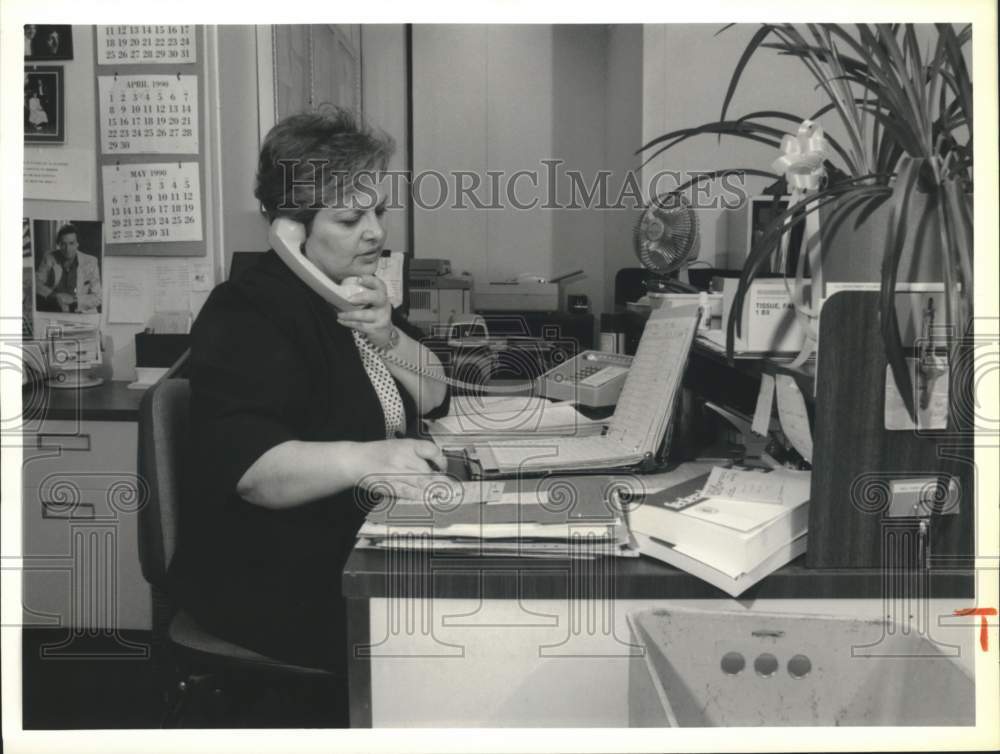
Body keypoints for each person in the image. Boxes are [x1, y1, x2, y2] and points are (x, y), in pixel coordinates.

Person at [169, 108, 452, 726]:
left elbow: (433, 398)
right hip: (274, 574)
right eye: (351, 219)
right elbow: (252, 471)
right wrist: (370, 458)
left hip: (351, 542)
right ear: (288, 232)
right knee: (456, 632)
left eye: (378, 211)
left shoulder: (347, 293)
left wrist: (388, 336)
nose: (375, 233)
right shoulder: (247, 310)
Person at [35, 223, 102, 313]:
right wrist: (56, 296)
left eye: (71, 243)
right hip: (56, 311)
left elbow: (98, 296)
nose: (67, 249)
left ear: (77, 244)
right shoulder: (49, 257)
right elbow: (36, 283)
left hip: (83, 312)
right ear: (58, 244)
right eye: (63, 244)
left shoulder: (91, 261)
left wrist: (74, 300)